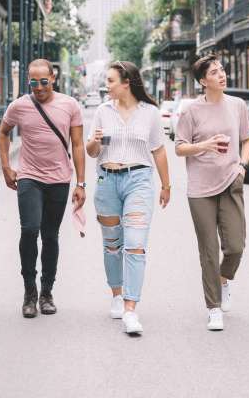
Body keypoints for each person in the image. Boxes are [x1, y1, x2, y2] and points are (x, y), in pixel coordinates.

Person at [85, 61, 171, 335]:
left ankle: (131, 310)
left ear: (126, 83)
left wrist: (166, 185)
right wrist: (95, 142)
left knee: (134, 244)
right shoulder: (102, 111)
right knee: (112, 244)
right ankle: (117, 295)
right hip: (107, 180)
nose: (106, 85)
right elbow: (92, 152)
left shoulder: (150, 113)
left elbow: (158, 150)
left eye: (110, 81)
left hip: (139, 181)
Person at [0, 59, 85, 318]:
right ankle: (29, 292)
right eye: (33, 82)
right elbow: (3, 133)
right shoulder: (19, 106)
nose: (38, 87)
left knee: (50, 236)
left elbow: (78, 145)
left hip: (59, 179)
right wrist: (5, 167)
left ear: (53, 78)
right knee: (29, 230)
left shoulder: (70, 105)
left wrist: (81, 183)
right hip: (29, 177)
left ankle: (46, 292)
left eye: (43, 82)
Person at [174, 55, 249, 332]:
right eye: (215, 72)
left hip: (231, 180)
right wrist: (205, 145)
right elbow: (179, 147)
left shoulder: (237, 105)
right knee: (207, 250)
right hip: (200, 188)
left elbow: (247, 140)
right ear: (202, 81)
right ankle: (213, 307)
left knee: (235, 247)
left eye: (222, 70)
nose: (221, 75)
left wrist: (242, 166)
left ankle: (223, 279)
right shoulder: (191, 111)